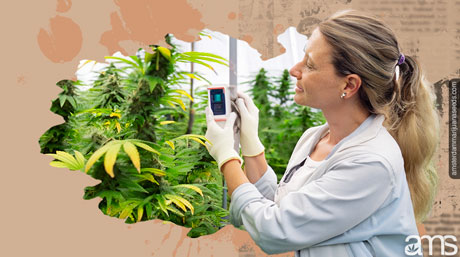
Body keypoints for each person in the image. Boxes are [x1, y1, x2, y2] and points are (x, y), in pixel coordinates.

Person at [204, 9, 440, 257]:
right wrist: (252, 147)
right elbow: (281, 207)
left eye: (309, 64)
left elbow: (275, 229)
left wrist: (227, 158)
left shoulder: (371, 161)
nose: (294, 70)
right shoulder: (314, 138)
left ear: (348, 85)